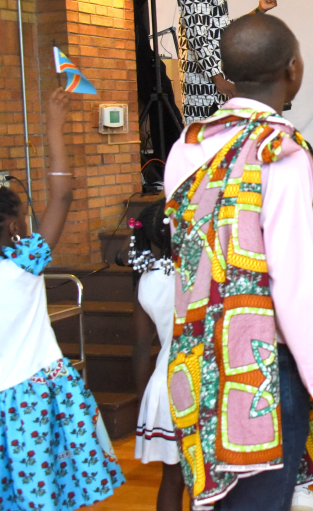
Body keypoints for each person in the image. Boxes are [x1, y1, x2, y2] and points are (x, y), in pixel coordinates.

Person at [163, 14, 313, 510]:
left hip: (197, 360)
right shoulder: (279, 152)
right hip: (262, 373)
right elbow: (296, 291)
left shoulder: (187, 146)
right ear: (293, 69)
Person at [0, 88, 125, 510]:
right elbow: (63, 196)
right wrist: (54, 125)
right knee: (49, 493)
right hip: (34, 398)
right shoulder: (23, 264)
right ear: (14, 224)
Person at [177, 0, 278, 124]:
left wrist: (260, 10)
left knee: (220, 145)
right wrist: (218, 79)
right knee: (204, 146)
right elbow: (197, 36)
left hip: (215, 85)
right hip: (203, 88)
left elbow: (224, 29)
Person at [129, 202, 183, 511]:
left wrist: (142, 399)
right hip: (198, 377)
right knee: (208, 478)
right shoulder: (196, 273)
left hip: (162, 386)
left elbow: (139, 348)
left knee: (172, 479)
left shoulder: (146, 282)